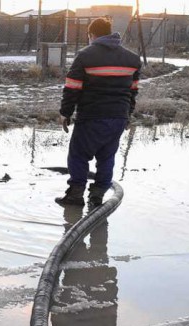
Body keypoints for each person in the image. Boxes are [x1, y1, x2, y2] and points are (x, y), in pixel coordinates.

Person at [56, 17, 141, 207]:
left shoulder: (86, 55)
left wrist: (65, 113)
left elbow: (72, 87)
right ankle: (97, 197)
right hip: (118, 117)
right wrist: (128, 115)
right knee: (107, 157)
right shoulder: (132, 60)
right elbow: (133, 91)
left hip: (92, 116)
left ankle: (75, 195)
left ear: (91, 35)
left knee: (78, 155)